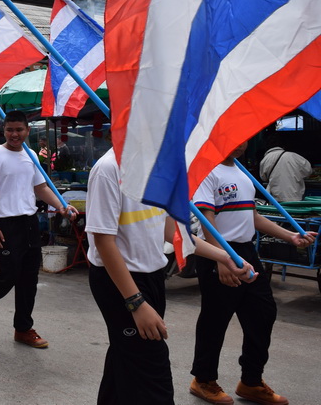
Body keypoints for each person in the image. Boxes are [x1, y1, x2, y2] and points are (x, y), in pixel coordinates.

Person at [85, 146, 256, 405]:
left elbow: (172, 231)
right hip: (121, 282)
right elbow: (103, 242)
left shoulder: (156, 169)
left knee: (126, 357)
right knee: (154, 374)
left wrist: (225, 257)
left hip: (152, 276)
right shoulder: (108, 169)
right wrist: (136, 302)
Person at [189, 141, 316, 405]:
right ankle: (203, 380)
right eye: (232, 138)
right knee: (216, 319)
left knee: (263, 313)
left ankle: (251, 381)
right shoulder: (206, 170)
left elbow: (253, 216)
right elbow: (205, 218)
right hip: (219, 250)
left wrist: (290, 236)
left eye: (244, 139)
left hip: (246, 250)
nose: (240, 144)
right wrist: (221, 259)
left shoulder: (242, 172)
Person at [0, 111, 75, 348]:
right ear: (4, 130)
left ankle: (23, 329)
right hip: (5, 224)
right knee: (8, 276)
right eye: (9, 130)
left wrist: (61, 206)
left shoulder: (31, 154)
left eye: (19, 130)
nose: (14, 134)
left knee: (29, 278)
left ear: (27, 130)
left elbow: (41, 187)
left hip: (29, 222)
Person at [259, 134, 313, 202]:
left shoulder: (265, 160)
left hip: (276, 199)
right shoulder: (294, 156)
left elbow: (263, 178)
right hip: (296, 197)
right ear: (283, 145)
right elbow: (308, 171)